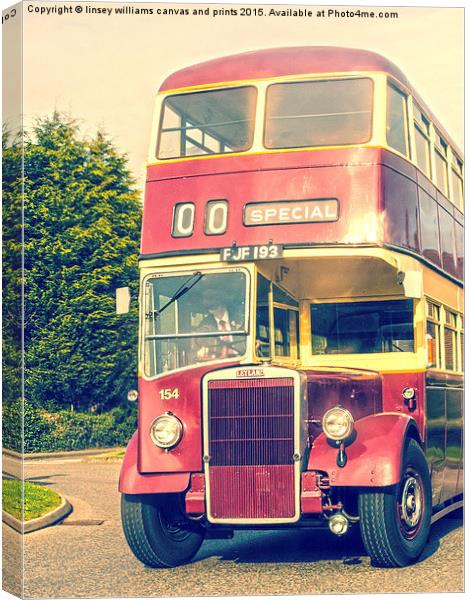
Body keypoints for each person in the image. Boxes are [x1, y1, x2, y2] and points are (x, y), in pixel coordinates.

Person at [196, 288, 244, 360]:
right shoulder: (204, 327)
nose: (210, 305)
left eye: (213, 301)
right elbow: (193, 354)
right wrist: (199, 353)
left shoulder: (241, 321)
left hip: (241, 362)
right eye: (208, 303)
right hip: (217, 366)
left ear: (222, 302)